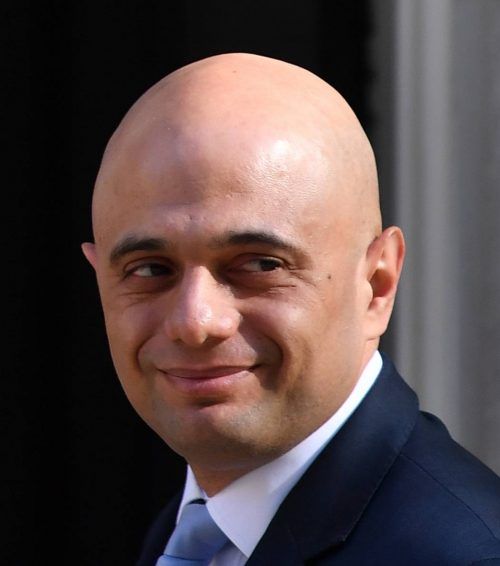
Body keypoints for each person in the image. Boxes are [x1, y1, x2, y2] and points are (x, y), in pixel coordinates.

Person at [82, 53, 500, 565]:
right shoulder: (197, 531)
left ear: (377, 285)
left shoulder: (464, 553)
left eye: (259, 264)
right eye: (150, 270)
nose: (195, 322)